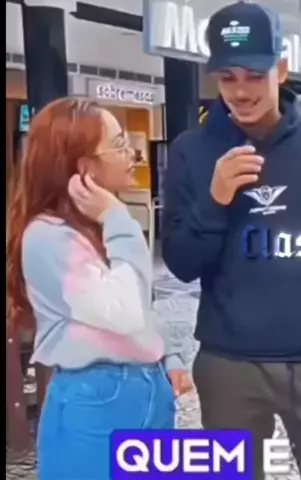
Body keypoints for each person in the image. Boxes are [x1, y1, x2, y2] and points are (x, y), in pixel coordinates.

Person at [161, 3, 301, 479]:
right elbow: (180, 263)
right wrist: (215, 200)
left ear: (280, 69)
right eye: (228, 77)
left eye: (255, 75)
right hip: (228, 365)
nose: (240, 91)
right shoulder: (192, 151)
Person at [6, 97, 193, 480]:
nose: (133, 155)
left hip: (148, 389)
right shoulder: (48, 237)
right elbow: (124, 312)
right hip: (96, 398)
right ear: (84, 168)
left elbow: (140, 304)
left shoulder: (98, 227)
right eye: (119, 145)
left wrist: (167, 355)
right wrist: (119, 219)